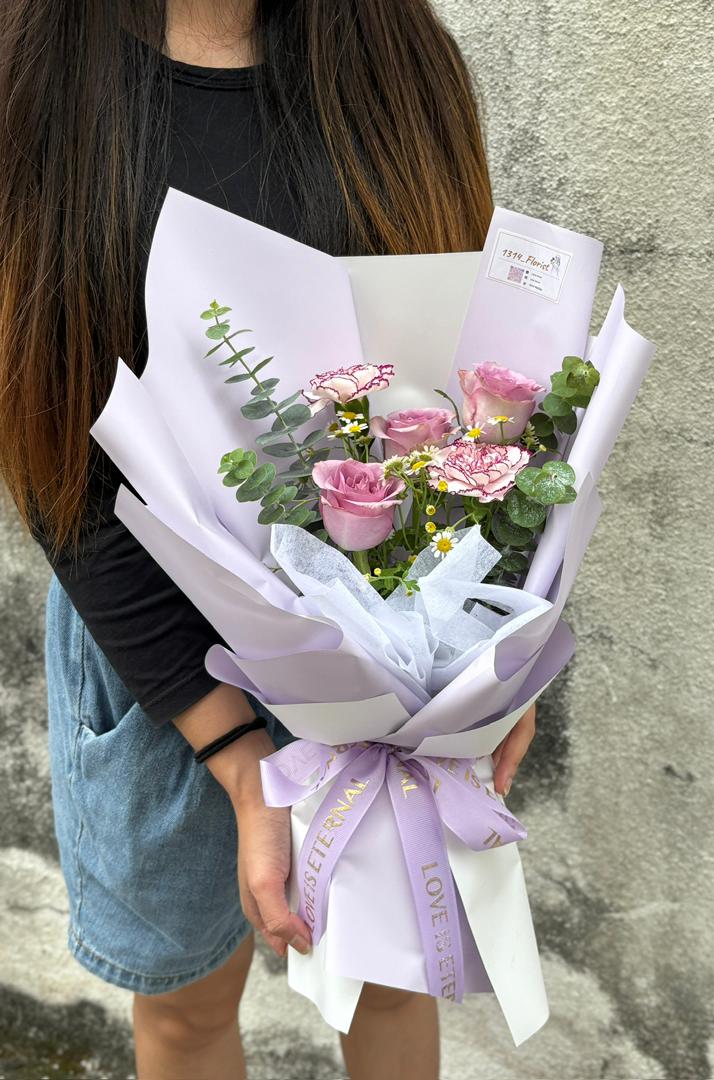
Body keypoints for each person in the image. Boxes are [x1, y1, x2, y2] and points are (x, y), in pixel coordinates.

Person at [0, 2, 536, 1077]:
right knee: (188, 1010)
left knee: (390, 982)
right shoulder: (30, 68)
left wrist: (493, 662)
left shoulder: (400, 60)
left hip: (391, 642)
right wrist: (239, 762)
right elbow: (55, 453)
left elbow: (476, 392)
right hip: (150, 653)